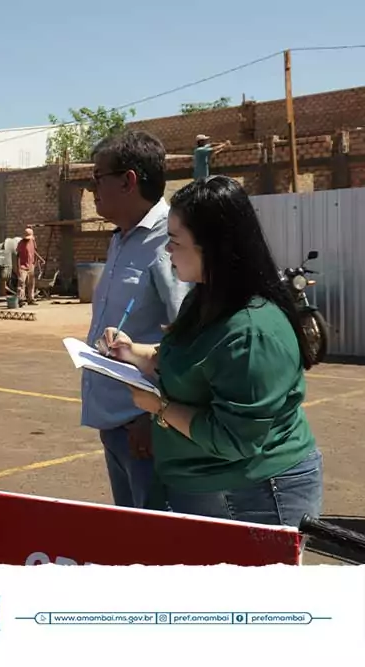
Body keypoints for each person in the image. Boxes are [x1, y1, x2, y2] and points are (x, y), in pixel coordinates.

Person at [99, 176, 323, 527]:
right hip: (205, 485)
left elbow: (234, 438)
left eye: (175, 242)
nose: (167, 251)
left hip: (255, 495)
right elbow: (189, 360)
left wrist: (159, 407)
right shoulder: (203, 298)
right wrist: (131, 352)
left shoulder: (251, 332)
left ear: (213, 248)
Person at [81, 130, 192, 509]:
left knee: (157, 536)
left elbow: (189, 340)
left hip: (146, 429)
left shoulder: (169, 241)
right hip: (117, 423)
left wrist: (157, 416)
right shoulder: (121, 238)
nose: (92, 189)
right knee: (130, 531)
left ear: (128, 181)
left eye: (98, 177)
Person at [16, 227, 39, 305]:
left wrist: (34, 263)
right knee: (21, 283)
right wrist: (18, 268)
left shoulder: (33, 241)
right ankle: (21, 300)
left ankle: (31, 299)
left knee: (31, 283)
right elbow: (18, 256)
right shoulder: (21, 243)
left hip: (31, 266)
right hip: (23, 266)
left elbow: (35, 251)